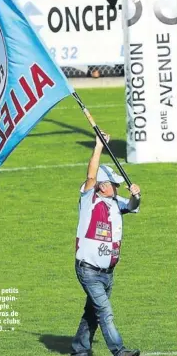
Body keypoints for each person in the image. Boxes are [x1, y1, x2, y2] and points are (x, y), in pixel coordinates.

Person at [71, 131, 141, 356]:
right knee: (105, 311)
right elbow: (91, 175)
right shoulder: (89, 198)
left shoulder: (115, 202)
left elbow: (132, 206)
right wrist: (99, 146)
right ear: (102, 186)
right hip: (88, 269)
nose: (117, 188)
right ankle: (119, 351)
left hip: (107, 272)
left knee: (93, 311)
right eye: (114, 184)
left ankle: (80, 350)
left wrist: (136, 195)